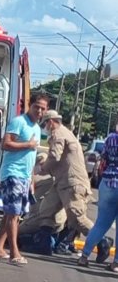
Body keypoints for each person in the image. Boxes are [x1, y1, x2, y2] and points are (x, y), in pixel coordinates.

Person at [37, 110, 109, 259]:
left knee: (77, 218)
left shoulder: (59, 133)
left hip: (72, 183)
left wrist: (43, 168)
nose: (45, 127)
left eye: (45, 123)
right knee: (46, 209)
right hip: (62, 182)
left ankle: (102, 242)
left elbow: (55, 156)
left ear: (51, 122)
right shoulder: (65, 133)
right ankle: (44, 244)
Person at [0, 93, 49, 265]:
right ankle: (14, 253)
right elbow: (5, 144)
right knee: (14, 215)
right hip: (12, 173)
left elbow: (31, 157)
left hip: (24, 176)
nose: (39, 110)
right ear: (30, 105)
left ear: (46, 111)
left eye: (42, 108)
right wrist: (27, 145)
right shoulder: (19, 122)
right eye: (36, 106)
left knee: (11, 213)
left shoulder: (37, 128)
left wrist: (31, 180)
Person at [78, 120, 118, 272]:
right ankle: (115, 264)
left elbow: (104, 159)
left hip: (108, 182)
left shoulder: (110, 138)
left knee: (101, 223)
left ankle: (84, 256)